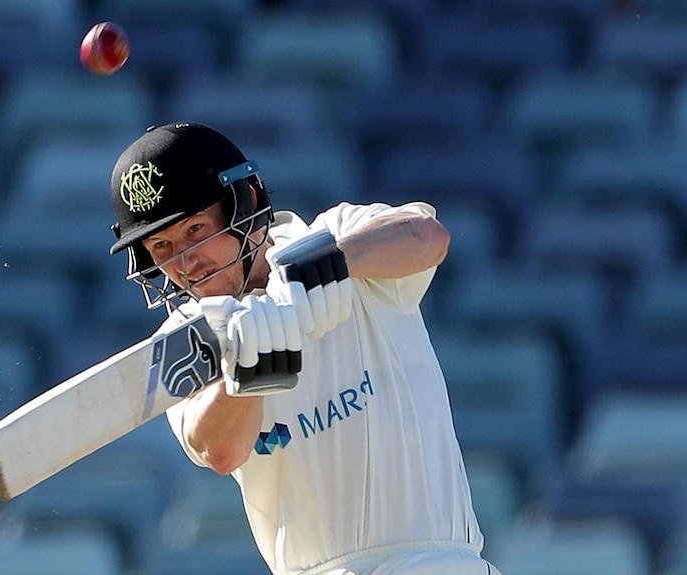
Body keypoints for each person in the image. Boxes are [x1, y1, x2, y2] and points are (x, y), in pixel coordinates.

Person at [109, 122, 501, 575]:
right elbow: (217, 450)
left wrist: (318, 270)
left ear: (245, 204)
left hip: (434, 562)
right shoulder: (186, 339)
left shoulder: (336, 230)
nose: (184, 262)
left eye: (196, 229)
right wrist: (245, 372)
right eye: (162, 245)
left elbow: (428, 237)